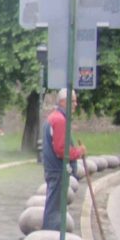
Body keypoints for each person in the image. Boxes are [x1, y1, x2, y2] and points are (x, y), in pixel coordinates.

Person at [42, 88, 85, 231]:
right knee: (54, 210)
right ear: (63, 102)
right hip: (58, 170)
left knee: (53, 207)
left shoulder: (54, 118)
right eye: (72, 101)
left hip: (54, 169)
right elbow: (61, 150)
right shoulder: (59, 120)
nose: (75, 104)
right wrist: (79, 152)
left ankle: (50, 237)